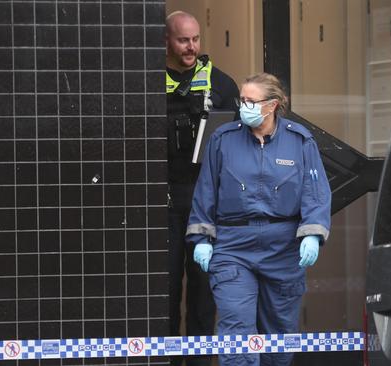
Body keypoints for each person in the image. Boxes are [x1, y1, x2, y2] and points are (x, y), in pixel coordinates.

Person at [186, 73, 331, 366]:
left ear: (272, 105)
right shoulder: (223, 140)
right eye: (242, 100)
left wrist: (313, 233)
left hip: (283, 249)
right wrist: (202, 239)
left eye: (251, 101)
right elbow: (205, 192)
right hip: (233, 248)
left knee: (279, 336)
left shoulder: (300, 141)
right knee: (236, 331)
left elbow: (315, 193)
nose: (243, 107)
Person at [165, 10, 239, 366]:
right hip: (162, 198)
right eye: (183, 40)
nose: (191, 47)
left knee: (202, 290)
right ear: (166, 41)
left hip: (206, 199)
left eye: (195, 39)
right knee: (164, 290)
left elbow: (238, 144)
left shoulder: (221, 85)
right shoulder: (147, 82)